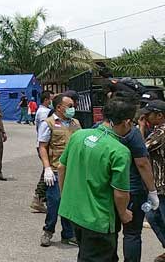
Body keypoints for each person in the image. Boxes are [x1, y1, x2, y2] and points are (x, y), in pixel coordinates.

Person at [58, 97, 135, 262]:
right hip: (98, 220)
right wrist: (123, 213)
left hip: (73, 211)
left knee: (86, 254)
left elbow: (61, 167)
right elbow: (121, 193)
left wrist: (65, 195)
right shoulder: (119, 151)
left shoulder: (79, 135)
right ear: (127, 122)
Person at [114, 96, 159, 262]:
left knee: (110, 230)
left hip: (110, 187)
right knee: (132, 233)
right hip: (132, 188)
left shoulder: (101, 129)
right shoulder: (131, 133)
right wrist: (152, 190)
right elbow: (142, 163)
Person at [37, 94, 80, 247]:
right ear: (59, 107)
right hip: (55, 170)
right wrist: (47, 168)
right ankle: (48, 231)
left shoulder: (75, 123)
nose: (72, 108)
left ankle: (68, 234)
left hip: (73, 170)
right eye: (69, 106)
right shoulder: (48, 123)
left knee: (70, 203)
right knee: (55, 202)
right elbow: (42, 146)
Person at [141, 100, 165, 262]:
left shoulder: (161, 132)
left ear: (160, 115)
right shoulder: (158, 130)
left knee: (156, 216)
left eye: (148, 114)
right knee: (152, 215)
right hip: (158, 185)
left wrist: (141, 128)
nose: (145, 116)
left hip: (162, 185)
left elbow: (141, 149)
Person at [30, 90, 54, 213]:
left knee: (48, 171)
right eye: (52, 99)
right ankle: (38, 198)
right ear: (46, 100)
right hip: (45, 145)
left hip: (44, 144)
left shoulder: (43, 111)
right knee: (48, 171)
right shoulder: (45, 113)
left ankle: (42, 198)